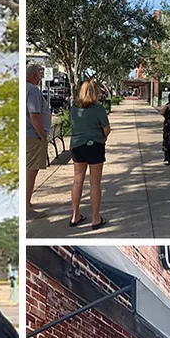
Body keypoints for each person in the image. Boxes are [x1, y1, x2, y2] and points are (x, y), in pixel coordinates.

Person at [68, 80, 111, 230]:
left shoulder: (73, 109)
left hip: (77, 146)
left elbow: (73, 126)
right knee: (94, 183)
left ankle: (75, 216)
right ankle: (95, 218)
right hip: (95, 146)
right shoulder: (98, 109)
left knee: (77, 181)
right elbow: (107, 128)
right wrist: (103, 137)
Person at [25, 64, 51, 211]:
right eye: (39, 75)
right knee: (31, 170)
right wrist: (42, 135)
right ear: (35, 76)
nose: (40, 78)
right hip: (33, 136)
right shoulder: (33, 90)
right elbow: (34, 115)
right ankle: (26, 206)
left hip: (27, 135)